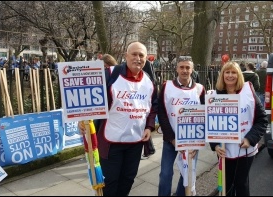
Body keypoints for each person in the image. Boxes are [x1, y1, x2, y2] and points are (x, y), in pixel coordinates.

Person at [79, 41, 158, 196]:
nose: (137, 58)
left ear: (146, 58)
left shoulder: (148, 81)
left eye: (141, 55)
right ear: (125, 56)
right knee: (109, 182)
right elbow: (90, 96)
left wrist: (149, 126)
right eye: (134, 54)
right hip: (111, 142)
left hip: (135, 142)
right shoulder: (110, 73)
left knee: (128, 179)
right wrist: (83, 118)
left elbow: (153, 105)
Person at [209, 61, 268, 196]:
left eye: (234, 72)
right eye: (227, 72)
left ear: (239, 75)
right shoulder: (214, 96)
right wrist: (215, 145)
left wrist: (250, 139)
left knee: (241, 183)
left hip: (245, 149)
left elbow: (262, 120)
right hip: (225, 150)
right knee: (226, 184)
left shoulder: (248, 93)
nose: (230, 75)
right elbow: (210, 124)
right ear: (222, 75)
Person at [158, 56, 206, 196]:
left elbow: (203, 115)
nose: (184, 70)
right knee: (165, 174)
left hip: (192, 140)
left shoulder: (200, 89)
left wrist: (198, 142)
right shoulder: (167, 86)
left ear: (192, 69)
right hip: (171, 140)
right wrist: (171, 138)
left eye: (187, 67)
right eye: (182, 67)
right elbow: (162, 112)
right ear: (177, 68)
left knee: (187, 173)